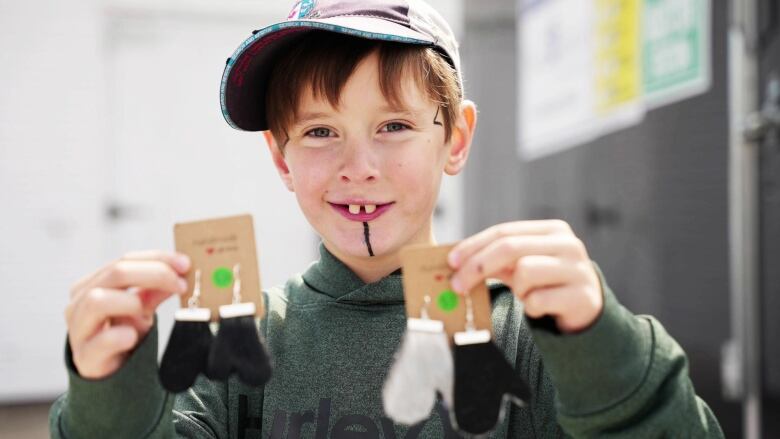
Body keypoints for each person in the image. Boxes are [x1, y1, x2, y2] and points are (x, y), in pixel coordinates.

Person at [49, 0, 724, 437]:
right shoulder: (244, 334)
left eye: (395, 124)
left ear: (455, 139)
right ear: (280, 157)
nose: (358, 165)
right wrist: (108, 392)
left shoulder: (526, 328)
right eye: (319, 131)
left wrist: (602, 347)